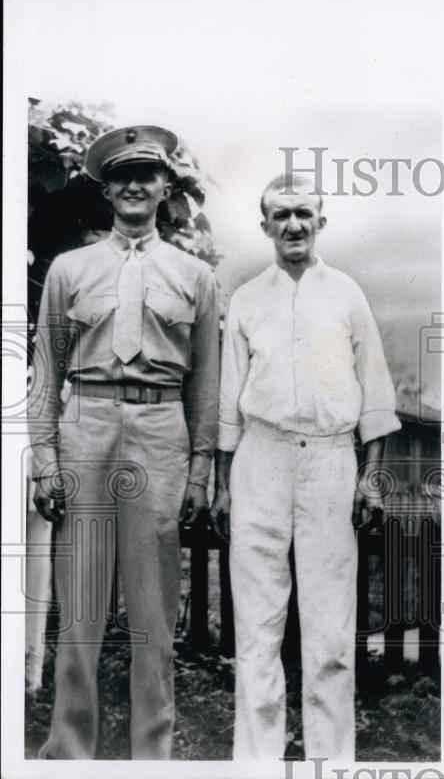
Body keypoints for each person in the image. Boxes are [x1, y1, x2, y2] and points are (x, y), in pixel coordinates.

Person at [29, 125, 219, 759]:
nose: (135, 185)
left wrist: (200, 471)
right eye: (122, 175)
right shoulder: (69, 270)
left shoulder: (195, 277)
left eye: (147, 174)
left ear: (166, 186)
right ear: (105, 187)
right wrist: (46, 461)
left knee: (153, 620)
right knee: (79, 614)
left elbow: (206, 383)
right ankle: (70, 754)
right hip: (85, 428)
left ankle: (151, 759)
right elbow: (46, 375)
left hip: (162, 434)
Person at [211, 173, 401, 760]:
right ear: (265, 224)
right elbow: (228, 400)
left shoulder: (346, 294)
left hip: (328, 460)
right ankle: (257, 762)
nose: (293, 225)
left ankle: (330, 762)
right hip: (259, 460)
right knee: (258, 630)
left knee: (331, 634)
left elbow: (374, 391)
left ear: (321, 220)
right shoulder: (245, 299)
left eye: (303, 214)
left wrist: (371, 476)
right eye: (281, 215)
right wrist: (222, 484)